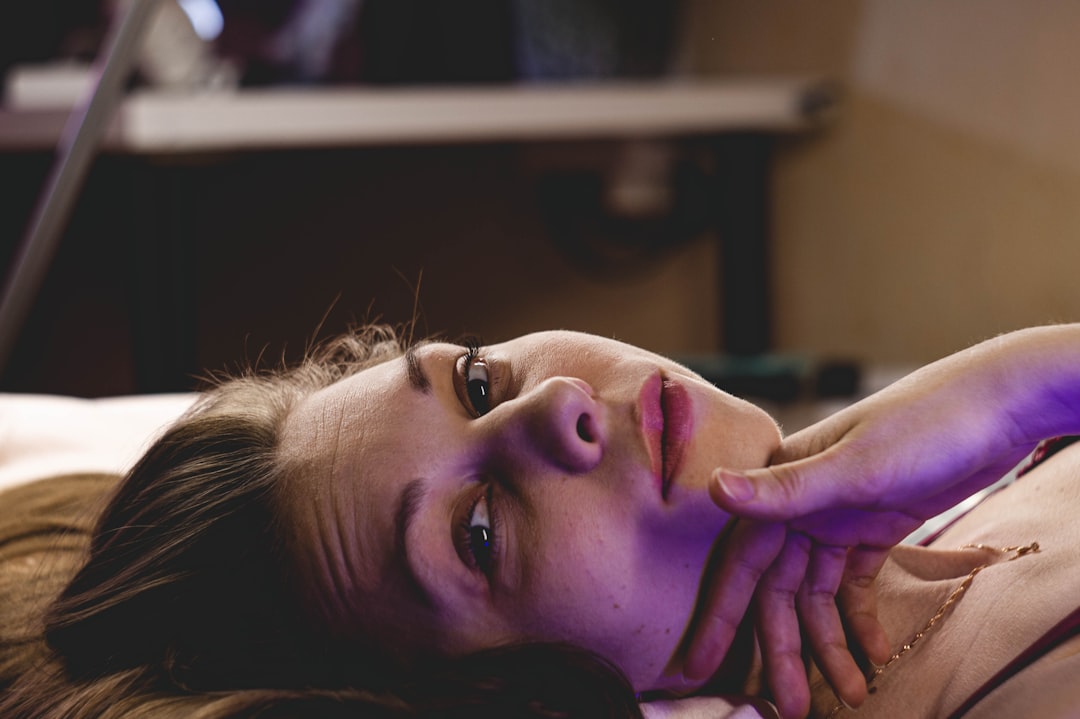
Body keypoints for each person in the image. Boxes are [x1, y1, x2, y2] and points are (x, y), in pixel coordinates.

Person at [0, 323, 1078, 718]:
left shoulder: (979, 460)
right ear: (514, 695)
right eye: (478, 531)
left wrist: (1023, 388)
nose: (552, 407)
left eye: (475, 380)